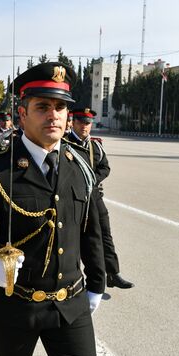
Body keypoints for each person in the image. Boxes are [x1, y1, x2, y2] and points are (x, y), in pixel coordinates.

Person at [0, 62, 105, 356]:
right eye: (42, 106)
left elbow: (91, 231)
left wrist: (97, 282)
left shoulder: (80, 165)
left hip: (71, 303)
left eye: (60, 107)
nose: (53, 115)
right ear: (23, 113)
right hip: (15, 305)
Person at [67, 108, 134, 289]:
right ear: (73, 122)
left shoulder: (95, 146)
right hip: (73, 198)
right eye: (81, 122)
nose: (84, 126)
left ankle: (113, 273)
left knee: (105, 235)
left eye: (88, 123)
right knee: (74, 238)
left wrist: (92, 180)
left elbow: (105, 167)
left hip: (94, 197)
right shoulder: (64, 144)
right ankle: (72, 278)